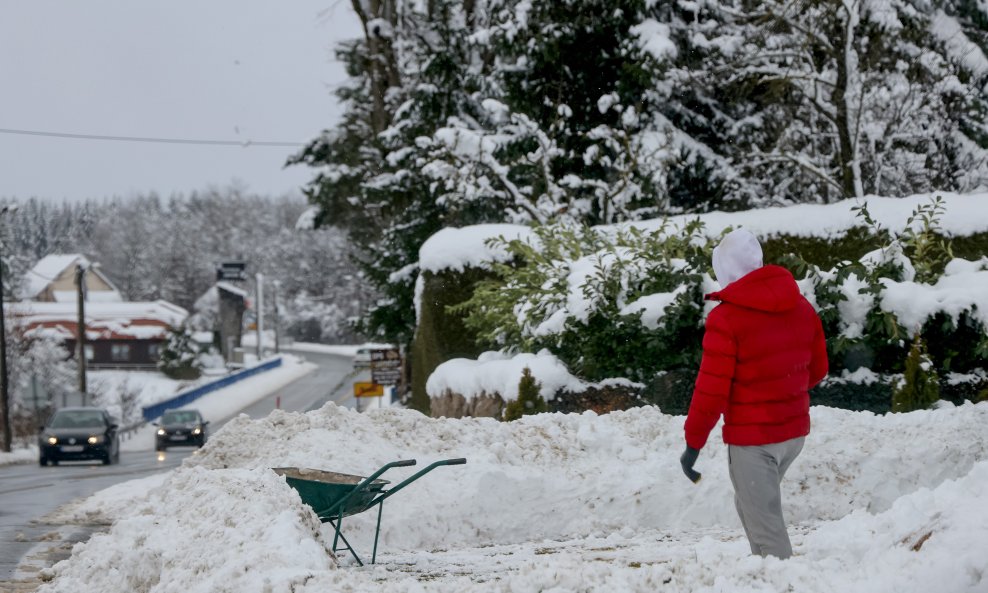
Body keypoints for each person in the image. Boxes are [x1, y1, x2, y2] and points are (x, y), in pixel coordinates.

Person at [679, 228, 828, 559]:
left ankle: (782, 580)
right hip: (793, 436)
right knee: (750, 506)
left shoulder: (726, 319)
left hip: (754, 442)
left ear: (726, 271)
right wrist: (782, 390)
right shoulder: (801, 306)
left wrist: (693, 443)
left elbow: (711, 391)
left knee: (768, 531)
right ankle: (762, 575)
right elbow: (817, 369)